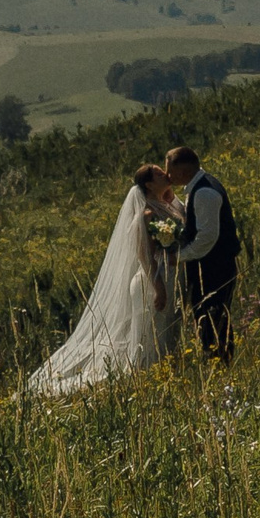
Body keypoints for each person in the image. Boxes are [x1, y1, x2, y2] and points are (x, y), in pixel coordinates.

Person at [22, 165, 186, 395]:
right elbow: (143, 254)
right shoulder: (147, 214)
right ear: (149, 184)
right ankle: (147, 382)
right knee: (151, 336)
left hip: (169, 279)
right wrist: (158, 286)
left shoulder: (165, 205)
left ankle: (164, 378)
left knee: (167, 332)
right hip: (152, 283)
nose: (166, 175)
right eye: (159, 174)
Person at [164, 145, 240, 363]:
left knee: (213, 317)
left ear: (182, 171)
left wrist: (178, 257)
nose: (168, 176)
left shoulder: (204, 193)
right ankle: (216, 359)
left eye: (170, 171)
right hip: (210, 265)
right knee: (209, 316)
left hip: (214, 266)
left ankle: (220, 361)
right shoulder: (198, 187)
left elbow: (206, 239)